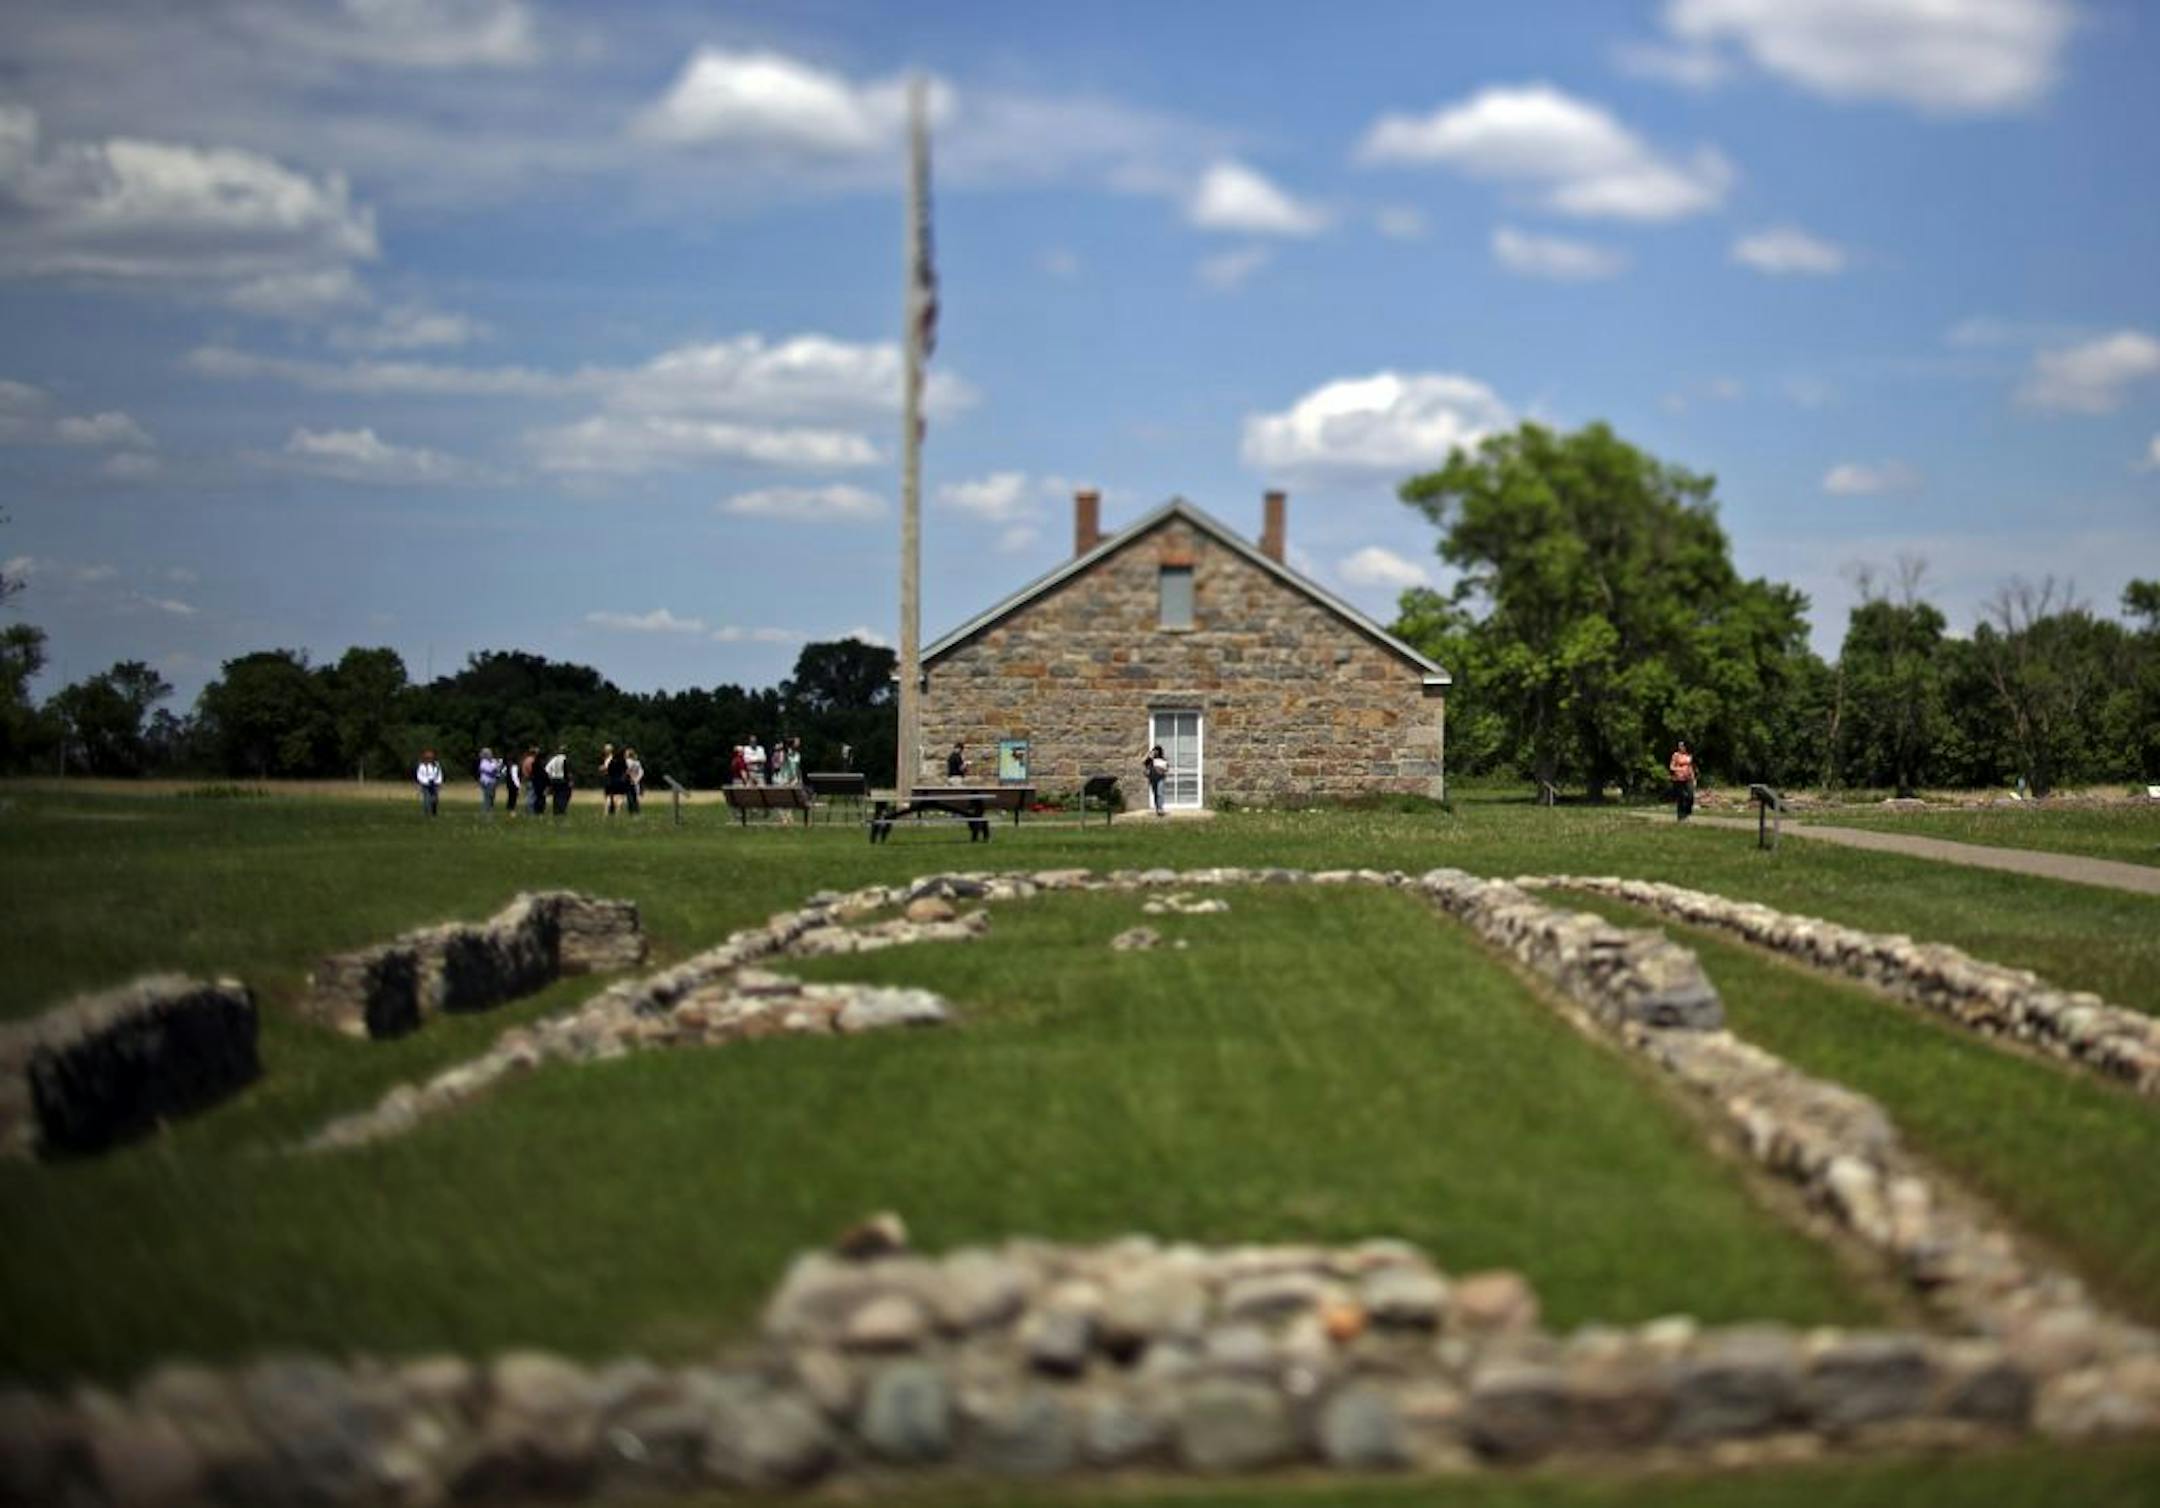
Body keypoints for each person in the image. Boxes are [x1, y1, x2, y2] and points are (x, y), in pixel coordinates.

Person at [1668, 740, 1697, 822]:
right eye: (1679, 746)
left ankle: (1687, 812)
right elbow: (1671, 767)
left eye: (1682, 746)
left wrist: (1693, 778)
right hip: (1679, 778)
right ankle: (1681, 816)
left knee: (1690, 796)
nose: (1680, 747)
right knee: (1681, 797)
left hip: (1688, 778)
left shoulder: (1689, 755)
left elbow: (1690, 767)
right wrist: (1679, 769)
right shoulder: (1676, 755)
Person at [601, 742, 628, 816]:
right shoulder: (623, 761)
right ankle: (617, 813)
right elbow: (626, 771)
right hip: (620, 781)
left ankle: (606, 812)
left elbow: (607, 770)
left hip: (611, 780)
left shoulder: (612, 761)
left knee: (609, 797)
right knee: (619, 797)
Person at [415, 748, 444, 817]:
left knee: (435, 799)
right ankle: (427, 813)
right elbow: (419, 775)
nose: (429, 758)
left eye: (431, 757)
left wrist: (439, 782)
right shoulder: (422, 766)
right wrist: (425, 781)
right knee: (427, 798)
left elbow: (439, 774)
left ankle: (434, 811)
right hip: (425, 784)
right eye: (428, 757)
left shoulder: (436, 765)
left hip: (435, 784)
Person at [545, 744, 572, 816]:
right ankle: (561, 810)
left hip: (554, 779)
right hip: (562, 780)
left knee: (556, 796)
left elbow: (547, 769)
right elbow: (565, 770)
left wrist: (550, 777)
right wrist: (569, 780)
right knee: (563, 796)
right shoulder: (564, 759)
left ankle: (555, 811)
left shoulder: (554, 759)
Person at [1144, 744, 1169, 816]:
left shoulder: (1163, 760)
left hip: (1160, 778)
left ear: (1159, 751)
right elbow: (1144, 763)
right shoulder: (1150, 759)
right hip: (1152, 778)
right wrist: (1149, 755)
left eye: (1157, 751)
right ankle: (1158, 808)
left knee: (1160, 793)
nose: (1156, 752)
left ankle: (1160, 808)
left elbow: (1166, 768)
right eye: (1154, 750)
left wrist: (1162, 770)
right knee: (1155, 794)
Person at [477, 746, 503, 813]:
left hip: (490, 781)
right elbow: (491, 773)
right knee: (488, 796)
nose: (491, 755)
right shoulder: (484, 762)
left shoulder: (491, 761)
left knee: (491, 796)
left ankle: (489, 809)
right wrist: (496, 767)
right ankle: (486, 810)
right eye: (490, 753)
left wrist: (497, 766)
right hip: (487, 782)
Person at [523, 745, 545, 815]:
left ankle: (529, 811)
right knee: (531, 797)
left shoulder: (526, 760)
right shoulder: (531, 761)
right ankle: (530, 812)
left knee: (529, 796)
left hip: (527, 780)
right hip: (531, 780)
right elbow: (532, 771)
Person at [624, 747, 644, 815]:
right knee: (635, 797)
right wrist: (637, 779)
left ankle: (631, 811)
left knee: (629, 797)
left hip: (628, 780)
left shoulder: (626, 762)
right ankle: (637, 811)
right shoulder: (637, 762)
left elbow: (626, 771)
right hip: (635, 781)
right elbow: (641, 772)